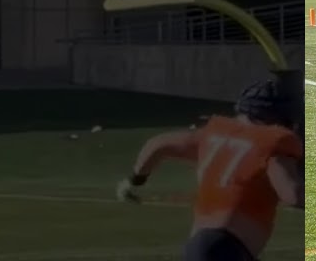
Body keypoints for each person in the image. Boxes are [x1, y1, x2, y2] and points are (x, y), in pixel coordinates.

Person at [116, 79, 304, 261]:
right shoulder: (273, 145)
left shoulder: (212, 138)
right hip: (226, 248)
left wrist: (135, 179)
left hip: (202, 246)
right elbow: (292, 195)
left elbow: (157, 144)